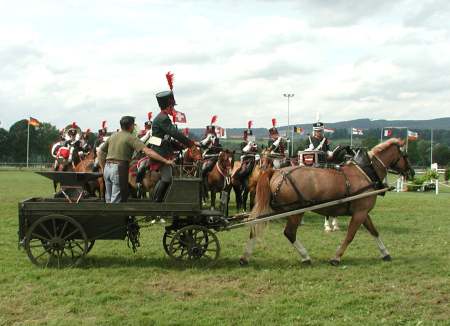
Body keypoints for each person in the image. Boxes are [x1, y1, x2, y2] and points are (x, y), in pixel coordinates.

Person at [98, 116, 173, 203]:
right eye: (133, 125)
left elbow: (100, 152)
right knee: (116, 201)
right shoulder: (130, 137)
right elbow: (148, 152)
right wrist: (165, 161)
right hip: (119, 168)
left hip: (107, 168)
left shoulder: (113, 136)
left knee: (109, 199)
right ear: (131, 126)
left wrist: (103, 168)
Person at [150, 90, 198, 202]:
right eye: (173, 106)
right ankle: (157, 205)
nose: (174, 110)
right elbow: (174, 133)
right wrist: (190, 144)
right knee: (166, 179)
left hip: (164, 151)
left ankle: (159, 203)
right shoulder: (163, 118)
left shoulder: (163, 117)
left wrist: (182, 146)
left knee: (167, 179)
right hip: (161, 153)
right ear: (169, 106)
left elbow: (168, 138)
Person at [200, 115, 223, 190]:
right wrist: (208, 140)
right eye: (209, 132)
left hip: (216, 158)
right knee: (204, 169)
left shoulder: (216, 140)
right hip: (207, 158)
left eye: (212, 132)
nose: (211, 134)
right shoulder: (204, 139)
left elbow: (220, 148)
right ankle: (202, 181)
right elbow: (202, 146)